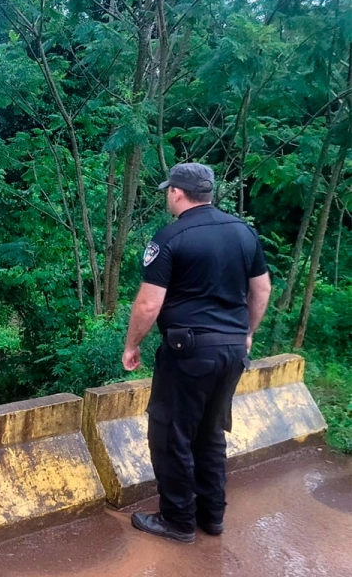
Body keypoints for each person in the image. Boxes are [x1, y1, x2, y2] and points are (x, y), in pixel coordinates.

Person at [121, 162, 272, 544]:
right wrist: (247, 333)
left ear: (176, 192)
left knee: (172, 433)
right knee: (210, 432)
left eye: (168, 191)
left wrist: (132, 344)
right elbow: (262, 290)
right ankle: (212, 517)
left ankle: (177, 520)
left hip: (188, 351)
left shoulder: (170, 237)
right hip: (233, 350)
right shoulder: (244, 232)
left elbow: (147, 306)